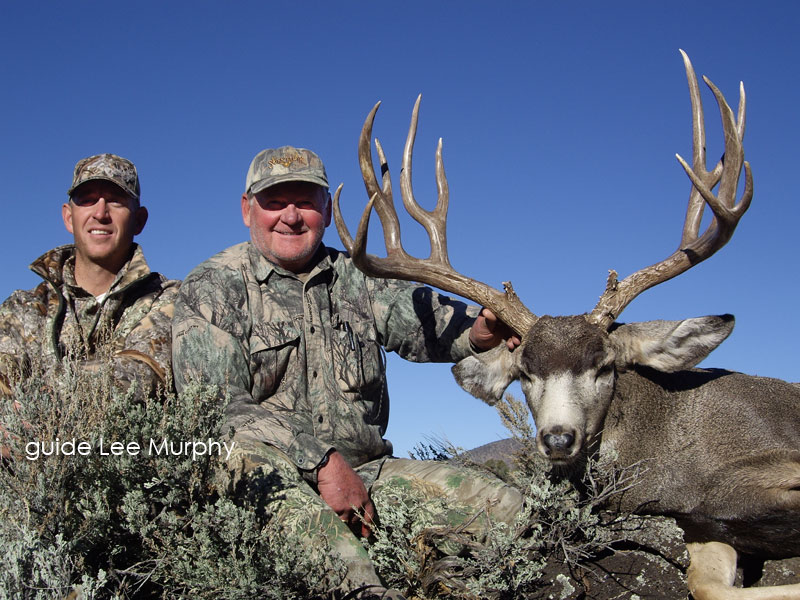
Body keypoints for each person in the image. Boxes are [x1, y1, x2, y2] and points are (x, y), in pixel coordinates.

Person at [172, 146, 522, 599]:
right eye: (275, 202)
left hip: (367, 477)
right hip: (269, 478)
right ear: (247, 209)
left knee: (507, 510)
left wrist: (478, 332)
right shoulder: (213, 286)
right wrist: (319, 461)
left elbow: (419, 320)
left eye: (306, 202)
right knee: (344, 568)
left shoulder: (358, 277)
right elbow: (215, 407)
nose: (291, 217)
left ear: (326, 208)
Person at [0, 153, 179, 404]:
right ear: (68, 217)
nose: (100, 213)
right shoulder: (24, 309)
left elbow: (141, 373)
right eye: (87, 200)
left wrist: (32, 404)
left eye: (116, 201)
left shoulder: (167, 300)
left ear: (139, 220)